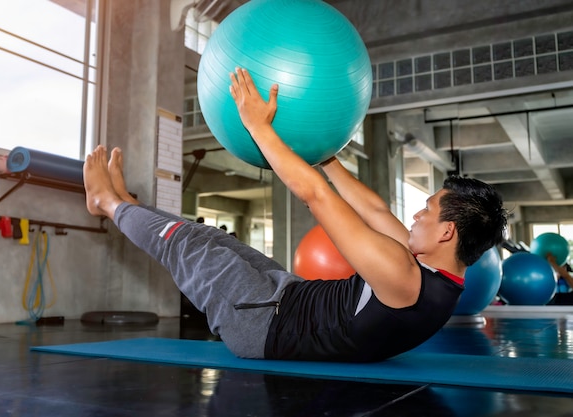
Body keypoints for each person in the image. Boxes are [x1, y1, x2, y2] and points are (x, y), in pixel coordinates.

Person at [83, 67, 507, 362]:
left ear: (448, 231)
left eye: (428, 210)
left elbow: (317, 199)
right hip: (287, 296)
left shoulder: (402, 274)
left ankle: (106, 203)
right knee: (216, 239)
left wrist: (259, 128)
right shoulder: (434, 275)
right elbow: (375, 208)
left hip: (263, 324)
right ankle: (128, 205)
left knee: (190, 242)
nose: (416, 214)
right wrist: (328, 158)